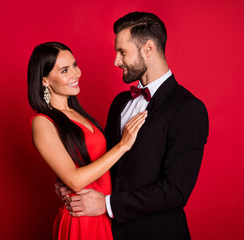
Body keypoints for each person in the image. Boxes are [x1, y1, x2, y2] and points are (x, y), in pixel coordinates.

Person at [61, 12, 209, 239]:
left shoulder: (188, 109)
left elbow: (176, 191)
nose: (116, 61)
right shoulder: (120, 103)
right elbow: (106, 163)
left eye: (122, 52)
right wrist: (70, 180)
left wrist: (107, 205)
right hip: (109, 233)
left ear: (148, 49)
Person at [27, 42, 147, 240]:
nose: (76, 73)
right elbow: (75, 181)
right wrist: (123, 146)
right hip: (82, 219)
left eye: (75, 65)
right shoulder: (42, 122)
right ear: (45, 81)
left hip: (104, 213)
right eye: (65, 70)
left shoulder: (77, 113)